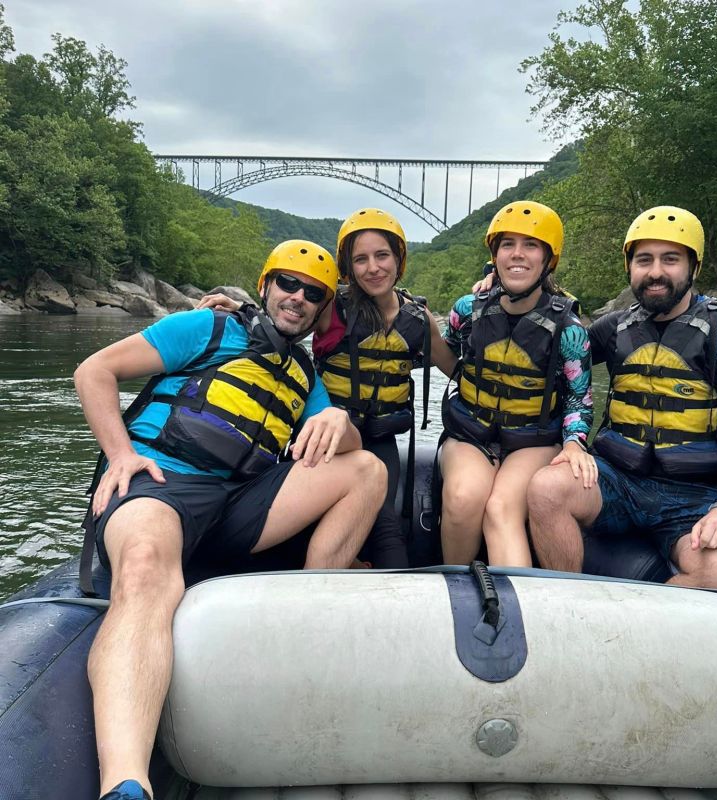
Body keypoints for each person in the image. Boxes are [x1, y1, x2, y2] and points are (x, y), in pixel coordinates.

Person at [74, 240, 387, 800]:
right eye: (288, 283)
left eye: (312, 292)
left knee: (367, 469)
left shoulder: (303, 374)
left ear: (321, 308)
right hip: (163, 484)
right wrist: (120, 456)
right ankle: (125, 782)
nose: (297, 297)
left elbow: (347, 449)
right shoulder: (206, 328)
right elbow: (95, 371)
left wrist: (340, 420)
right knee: (144, 567)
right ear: (266, 286)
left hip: (239, 504)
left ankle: (312, 607)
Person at [527, 206, 717, 589]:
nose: (656, 272)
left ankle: (630, 617)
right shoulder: (614, 327)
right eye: (644, 260)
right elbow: (553, 356)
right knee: (546, 489)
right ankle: (571, 604)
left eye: (670, 259)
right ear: (630, 267)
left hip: (696, 496)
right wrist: (506, 286)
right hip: (616, 480)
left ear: (694, 267)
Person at [201, 208, 457, 569]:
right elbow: (285, 320)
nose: (373, 268)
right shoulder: (332, 308)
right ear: (348, 267)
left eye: (382, 255)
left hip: (380, 437)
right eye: (361, 259)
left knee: (384, 517)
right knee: (378, 522)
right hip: (324, 436)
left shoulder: (418, 319)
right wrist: (242, 310)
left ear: (399, 259)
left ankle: (379, 577)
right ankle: (351, 569)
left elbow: (455, 368)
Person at [440, 200, 596, 567]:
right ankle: (456, 584)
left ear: (547, 259)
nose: (517, 254)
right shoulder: (467, 310)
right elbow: (449, 351)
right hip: (471, 434)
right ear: (494, 256)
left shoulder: (570, 331)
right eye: (507, 244)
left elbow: (579, 399)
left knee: (500, 508)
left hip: (532, 440)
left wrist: (574, 443)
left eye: (531, 245)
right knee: (463, 498)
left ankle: (520, 599)